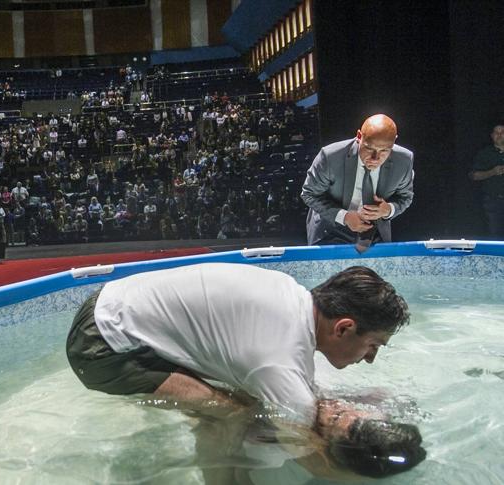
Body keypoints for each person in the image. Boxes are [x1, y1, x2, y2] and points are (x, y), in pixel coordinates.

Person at [66, 263, 425, 476]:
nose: (370, 357)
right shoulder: (280, 362)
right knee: (229, 414)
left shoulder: (291, 295)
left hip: (115, 301)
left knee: (242, 400)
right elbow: (312, 461)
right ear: (344, 327)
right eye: (373, 345)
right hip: (101, 347)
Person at [301, 114, 414, 248]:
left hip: (375, 232)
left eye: (384, 150)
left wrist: (389, 209)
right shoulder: (330, 157)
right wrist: (345, 217)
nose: (375, 158)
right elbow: (309, 194)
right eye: (369, 148)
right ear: (359, 136)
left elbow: (405, 197)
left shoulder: (404, 160)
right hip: (331, 230)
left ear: (394, 141)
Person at [469, 123, 504, 239]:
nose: (499, 135)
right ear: (492, 135)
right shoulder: (485, 153)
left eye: (502, 133)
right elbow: (473, 175)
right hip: (494, 202)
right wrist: (492, 172)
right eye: (496, 133)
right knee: (495, 235)